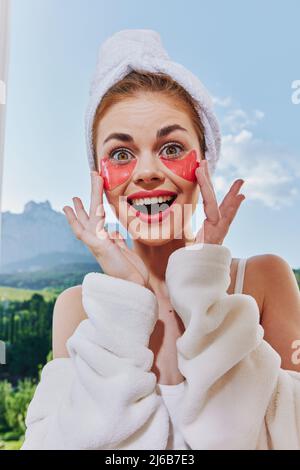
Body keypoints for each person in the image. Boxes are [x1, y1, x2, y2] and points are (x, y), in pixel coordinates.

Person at [20, 29, 300, 450]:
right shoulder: (77, 309)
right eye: (120, 153)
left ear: (205, 163)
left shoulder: (264, 281)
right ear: (100, 178)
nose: (147, 171)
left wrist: (202, 284)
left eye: (171, 148)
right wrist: (124, 302)